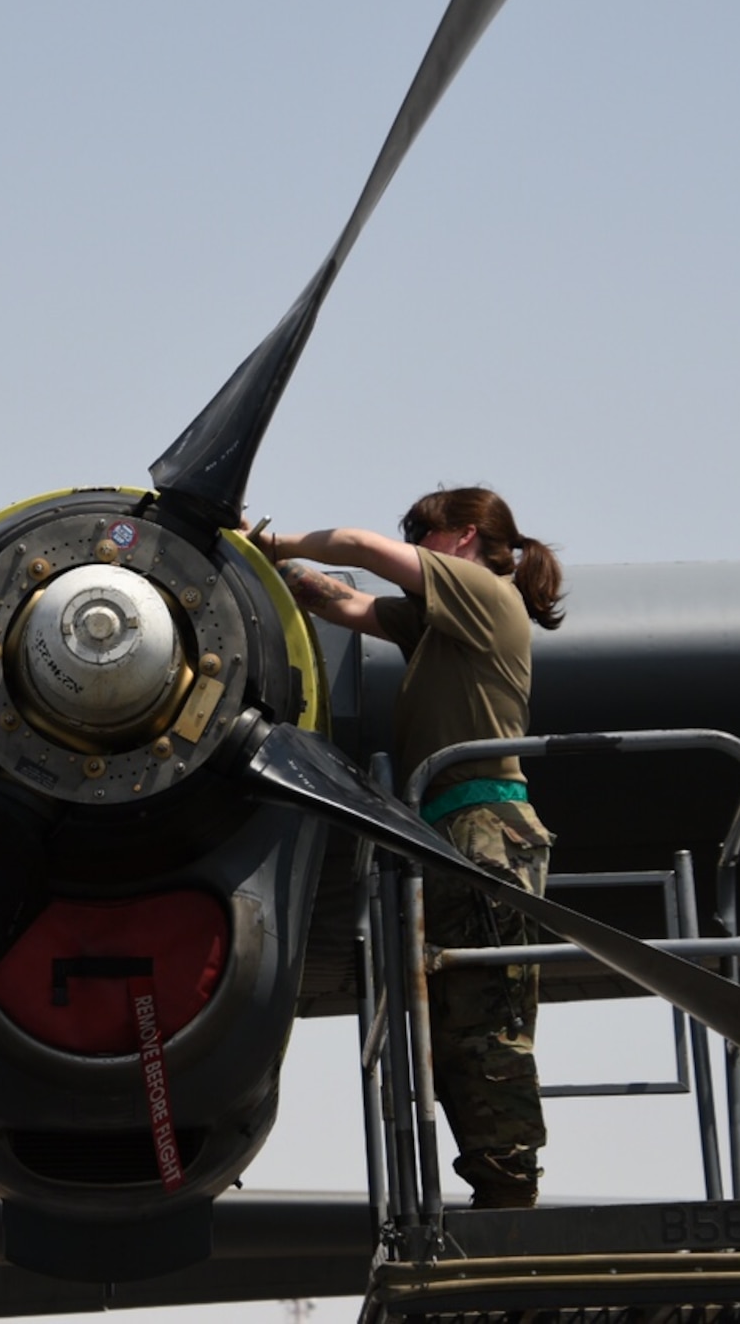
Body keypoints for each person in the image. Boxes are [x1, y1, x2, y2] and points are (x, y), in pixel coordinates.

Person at [260, 487, 564, 1210]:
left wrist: (278, 542)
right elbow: (343, 602)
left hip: (486, 825)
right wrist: (254, 562)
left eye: (422, 534)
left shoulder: (483, 592)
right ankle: (494, 1183)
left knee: (489, 1018)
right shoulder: (440, 622)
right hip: (451, 830)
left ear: (463, 537)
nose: (415, 546)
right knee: (457, 1024)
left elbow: (362, 553)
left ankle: (510, 1189)